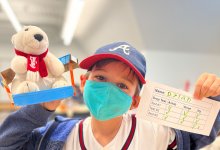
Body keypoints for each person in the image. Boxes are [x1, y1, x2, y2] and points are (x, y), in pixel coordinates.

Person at [0, 42, 219, 150]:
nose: (107, 91)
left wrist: (214, 97)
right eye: (101, 79)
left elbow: (203, 132)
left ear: (135, 100)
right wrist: (41, 109)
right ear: (84, 82)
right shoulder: (57, 136)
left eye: (122, 86)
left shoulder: (158, 135)